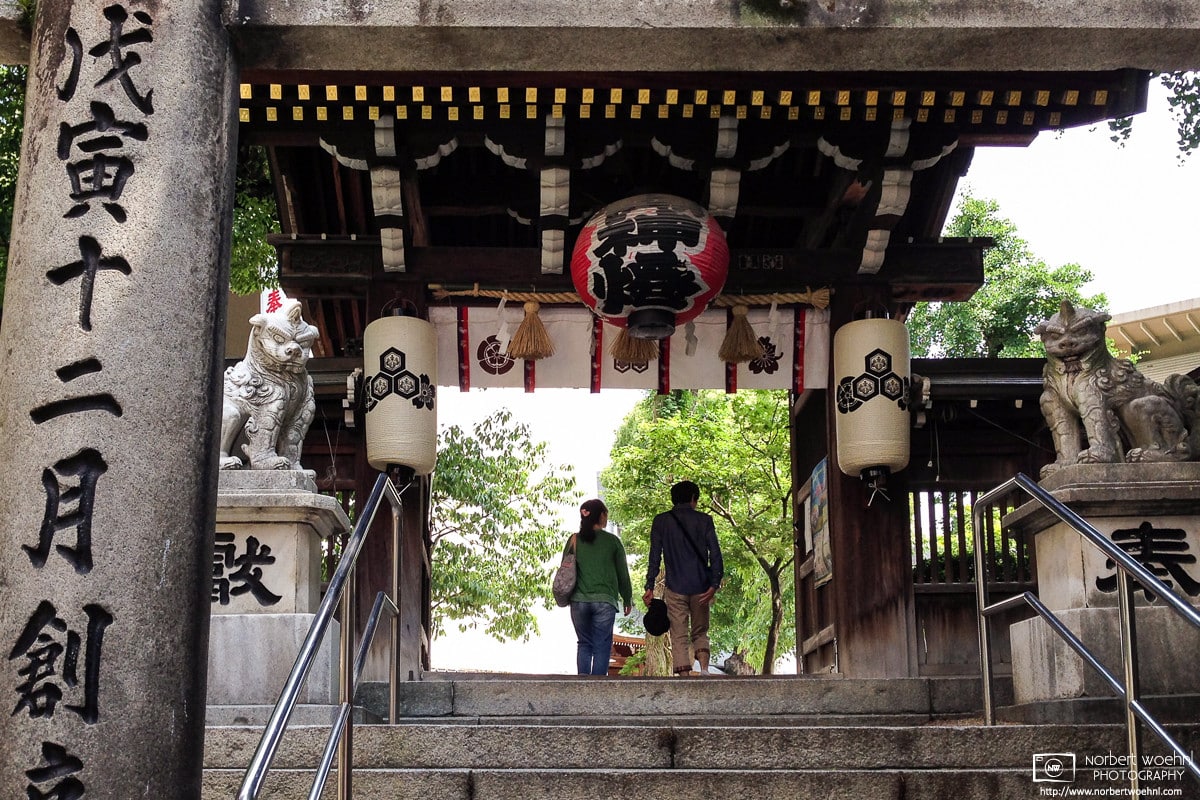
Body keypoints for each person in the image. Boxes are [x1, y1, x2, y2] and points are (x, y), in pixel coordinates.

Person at [642, 480, 724, 676]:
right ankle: (704, 669)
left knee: (678, 634)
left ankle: (684, 677)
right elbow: (716, 554)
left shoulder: (661, 521)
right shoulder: (704, 520)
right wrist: (714, 584)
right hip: (702, 587)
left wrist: (649, 585)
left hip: (675, 587)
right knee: (700, 632)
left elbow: (655, 556)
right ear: (693, 498)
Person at [565, 498, 633, 676]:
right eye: (606, 514)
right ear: (601, 515)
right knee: (602, 645)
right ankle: (598, 687)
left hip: (579, 601)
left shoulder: (574, 540)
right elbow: (622, 574)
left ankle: (583, 686)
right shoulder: (612, 541)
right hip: (604, 601)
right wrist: (627, 598)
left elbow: (565, 570)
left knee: (584, 643)